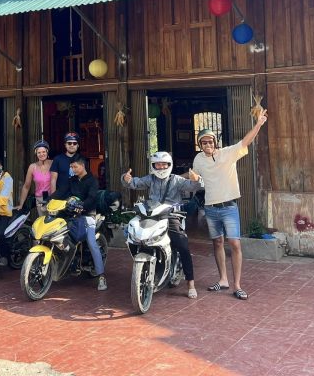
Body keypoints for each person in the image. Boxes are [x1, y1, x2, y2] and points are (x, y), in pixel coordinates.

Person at [187, 110, 268, 301]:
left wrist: (258, 124)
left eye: (210, 141)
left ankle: (237, 285)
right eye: (203, 142)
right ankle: (223, 280)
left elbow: (245, 142)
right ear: (200, 145)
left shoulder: (227, 153)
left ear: (215, 142)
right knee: (217, 242)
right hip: (210, 208)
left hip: (229, 207)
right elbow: (195, 177)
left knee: (235, 243)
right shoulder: (198, 159)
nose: (207, 145)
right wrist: (177, 176)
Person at [122, 151, 201, 298]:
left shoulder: (176, 180)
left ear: (169, 165)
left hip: (170, 216)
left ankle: (191, 284)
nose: (161, 167)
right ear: (153, 166)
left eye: (164, 164)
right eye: (158, 164)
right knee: (137, 236)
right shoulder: (150, 179)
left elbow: (192, 186)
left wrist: (196, 180)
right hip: (152, 215)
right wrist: (126, 179)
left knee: (182, 245)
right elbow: (135, 183)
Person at [51, 154, 107, 291]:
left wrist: (81, 205)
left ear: (82, 166)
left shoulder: (92, 181)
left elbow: (92, 198)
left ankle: (101, 276)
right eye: (71, 167)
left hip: (87, 215)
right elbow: (61, 191)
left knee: (92, 242)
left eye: (75, 167)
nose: (73, 169)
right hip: (70, 213)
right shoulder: (72, 180)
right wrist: (48, 201)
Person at [16, 140, 53, 216]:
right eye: (39, 152)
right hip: (40, 199)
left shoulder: (53, 163)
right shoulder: (32, 167)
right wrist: (21, 204)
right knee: (42, 221)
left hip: (53, 198)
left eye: (43, 152)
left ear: (47, 152)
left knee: (55, 222)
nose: (41, 154)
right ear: (36, 153)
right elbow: (26, 186)